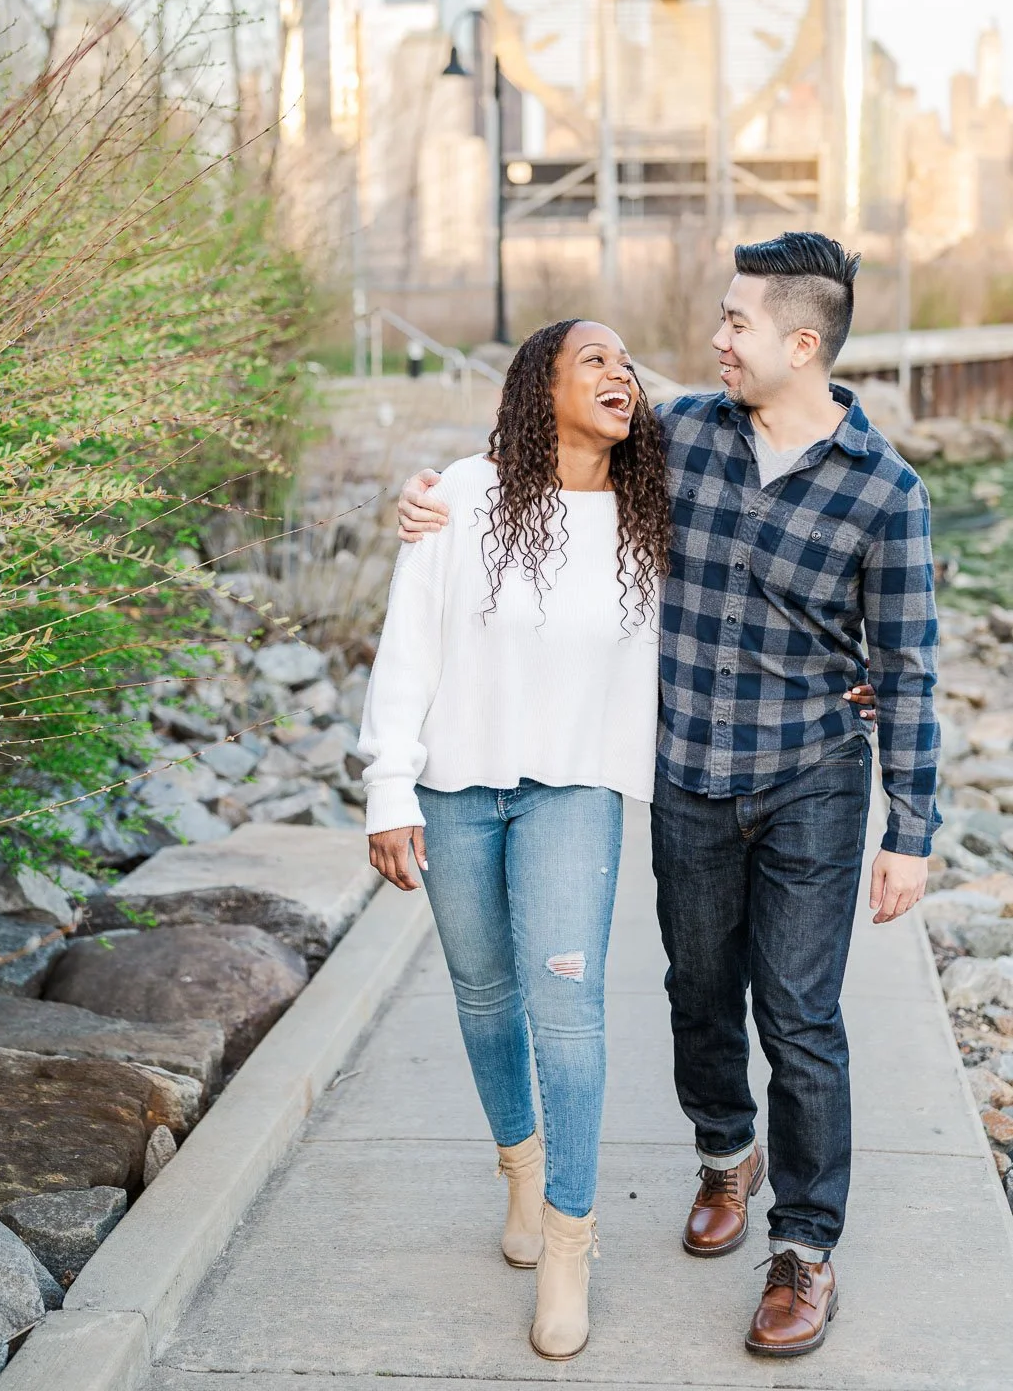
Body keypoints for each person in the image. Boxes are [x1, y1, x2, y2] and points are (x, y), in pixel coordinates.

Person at [396, 231, 938, 1359]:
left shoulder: (888, 494)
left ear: (803, 341)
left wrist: (913, 828)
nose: (714, 340)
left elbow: (911, 666)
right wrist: (435, 500)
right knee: (697, 988)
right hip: (688, 768)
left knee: (798, 1010)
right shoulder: (684, 434)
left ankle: (805, 1247)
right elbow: (548, 435)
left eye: (735, 323)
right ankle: (723, 1151)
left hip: (814, 781)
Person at [360, 319, 669, 1361]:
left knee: (568, 1013)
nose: (619, 373)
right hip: (454, 788)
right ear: (541, 384)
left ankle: (573, 1242)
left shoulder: (651, 516)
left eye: (629, 363)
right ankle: (523, 1178)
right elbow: (411, 646)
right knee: (486, 995)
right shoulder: (465, 495)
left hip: (577, 792)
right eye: (595, 358)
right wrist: (386, 786)